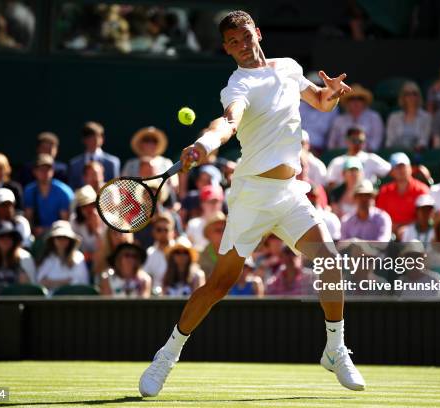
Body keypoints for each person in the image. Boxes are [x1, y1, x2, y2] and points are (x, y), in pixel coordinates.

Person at [139, 10, 365, 398]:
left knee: (330, 262)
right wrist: (204, 144)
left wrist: (329, 96)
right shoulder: (237, 85)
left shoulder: (290, 68)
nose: (241, 46)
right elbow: (227, 123)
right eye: (232, 42)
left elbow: (319, 102)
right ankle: (167, 355)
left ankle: (335, 349)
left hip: (291, 191)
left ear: (257, 33)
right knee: (219, 284)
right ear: (227, 49)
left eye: (245, 36)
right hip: (251, 196)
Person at [376, 153, 429, 236]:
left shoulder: (422, 190)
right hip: (388, 233)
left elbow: (426, 218)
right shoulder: (385, 191)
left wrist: (406, 228)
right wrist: (390, 227)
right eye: (397, 167)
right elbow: (379, 216)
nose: (401, 170)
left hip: (415, 234)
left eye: (403, 166)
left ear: (410, 168)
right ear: (392, 172)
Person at [24, 154, 74, 237]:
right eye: (41, 169)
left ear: (53, 171)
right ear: (34, 172)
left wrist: (45, 230)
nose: (45, 172)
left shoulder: (64, 192)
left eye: (48, 169)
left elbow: (65, 223)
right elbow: (28, 218)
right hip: (35, 237)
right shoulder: (29, 191)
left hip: (59, 236)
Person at [326, 126, 391, 187]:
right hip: (345, 197)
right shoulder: (337, 162)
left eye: (360, 141)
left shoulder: (371, 158)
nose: (357, 144)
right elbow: (330, 184)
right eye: (354, 140)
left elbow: (392, 171)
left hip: (367, 196)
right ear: (347, 141)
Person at [327, 84, 384, 151]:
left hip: (366, 155)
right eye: (352, 99)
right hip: (342, 156)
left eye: (360, 98)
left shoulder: (374, 117)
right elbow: (331, 144)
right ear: (347, 102)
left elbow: (376, 141)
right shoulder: (339, 120)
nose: (356, 102)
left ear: (364, 102)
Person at [36, 220, 88, 294]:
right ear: (53, 240)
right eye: (58, 237)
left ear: (70, 240)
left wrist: (52, 283)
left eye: (65, 237)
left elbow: (81, 283)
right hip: (52, 302)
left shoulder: (78, 257)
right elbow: (40, 282)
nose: (62, 240)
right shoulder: (48, 258)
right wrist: (64, 282)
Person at [68, 121, 120, 189]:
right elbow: (72, 188)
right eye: (90, 137)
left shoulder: (112, 162)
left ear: (102, 139)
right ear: (84, 140)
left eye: (98, 136)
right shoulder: (74, 164)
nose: (95, 140)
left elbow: (116, 187)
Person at [299, 71, 340, 153]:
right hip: (298, 147)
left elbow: (333, 135)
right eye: (312, 86)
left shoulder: (333, 109)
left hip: (321, 151)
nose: (316, 90)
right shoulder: (298, 105)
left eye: (319, 86)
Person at [385, 81, 432, 150]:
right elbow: (389, 142)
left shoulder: (426, 117)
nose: (411, 97)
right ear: (403, 97)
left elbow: (423, 141)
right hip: (397, 152)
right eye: (408, 94)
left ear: (419, 96)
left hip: (417, 154)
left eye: (414, 94)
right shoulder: (393, 117)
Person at [70, 185, 105, 270]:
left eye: (91, 205)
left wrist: (96, 230)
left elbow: (105, 249)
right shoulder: (74, 222)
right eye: (84, 206)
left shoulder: (107, 221)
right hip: (82, 262)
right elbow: (73, 248)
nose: (88, 209)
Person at [186, 185, 224, 251]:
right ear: (202, 203)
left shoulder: (228, 225)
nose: (214, 205)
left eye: (217, 201)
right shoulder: (193, 224)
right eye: (210, 202)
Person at [198, 212, 226, 278]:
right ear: (209, 233)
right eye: (218, 230)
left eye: (225, 230)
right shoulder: (202, 256)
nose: (223, 233)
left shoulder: (235, 252)